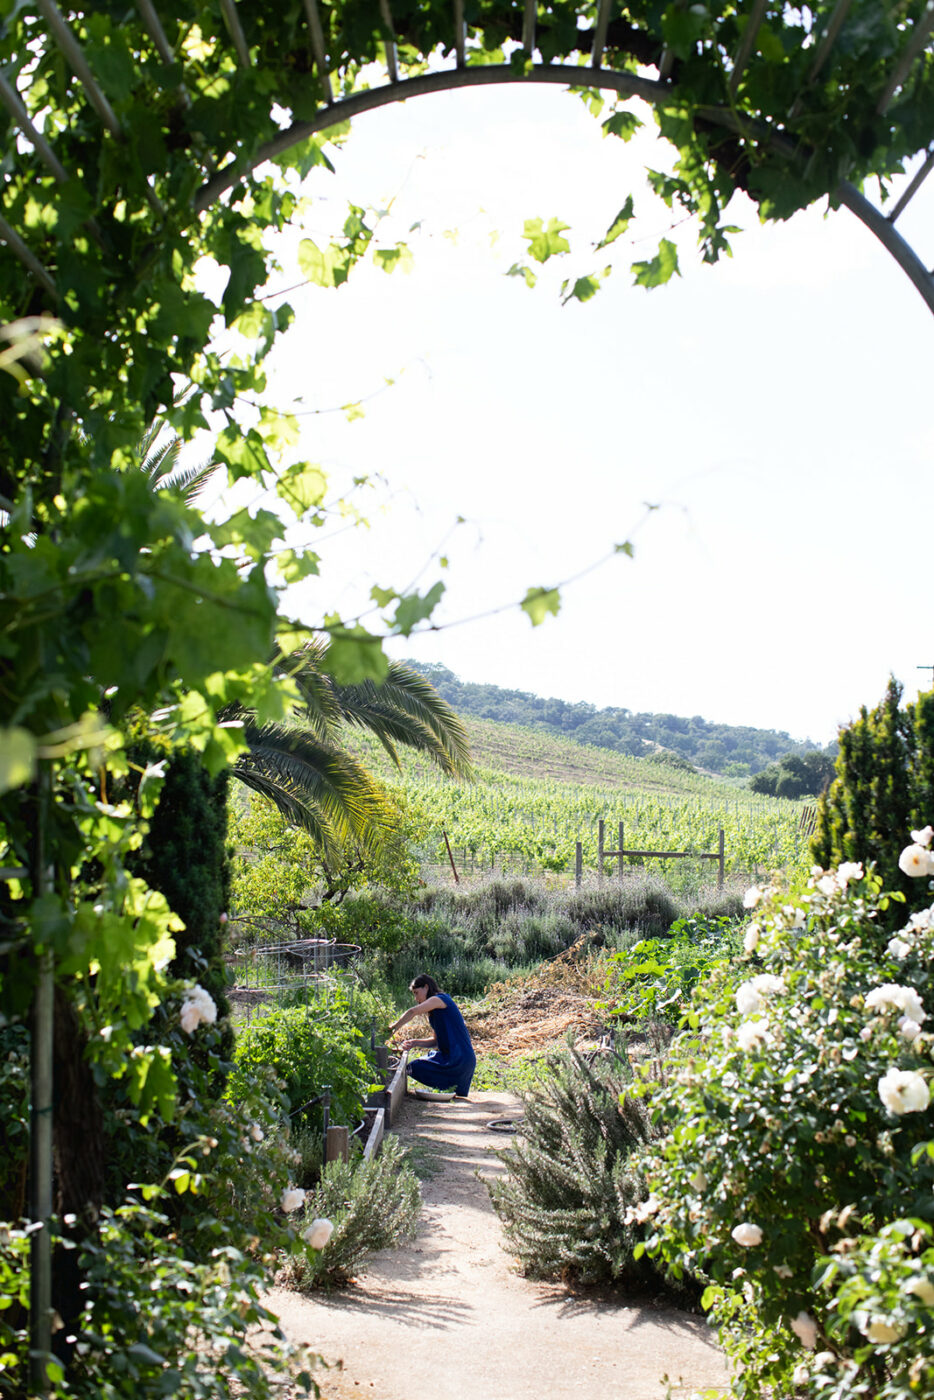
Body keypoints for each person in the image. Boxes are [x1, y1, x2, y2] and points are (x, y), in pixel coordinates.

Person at [389, 973, 476, 1098]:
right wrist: (414, 1042)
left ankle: (448, 1087)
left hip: (459, 1058)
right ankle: (447, 1089)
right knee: (413, 1067)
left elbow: (413, 1011)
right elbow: (435, 1041)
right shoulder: (435, 1011)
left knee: (414, 1067)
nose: (415, 998)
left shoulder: (439, 999)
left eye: (416, 993)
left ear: (426, 987)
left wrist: (392, 1028)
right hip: (450, 1057)